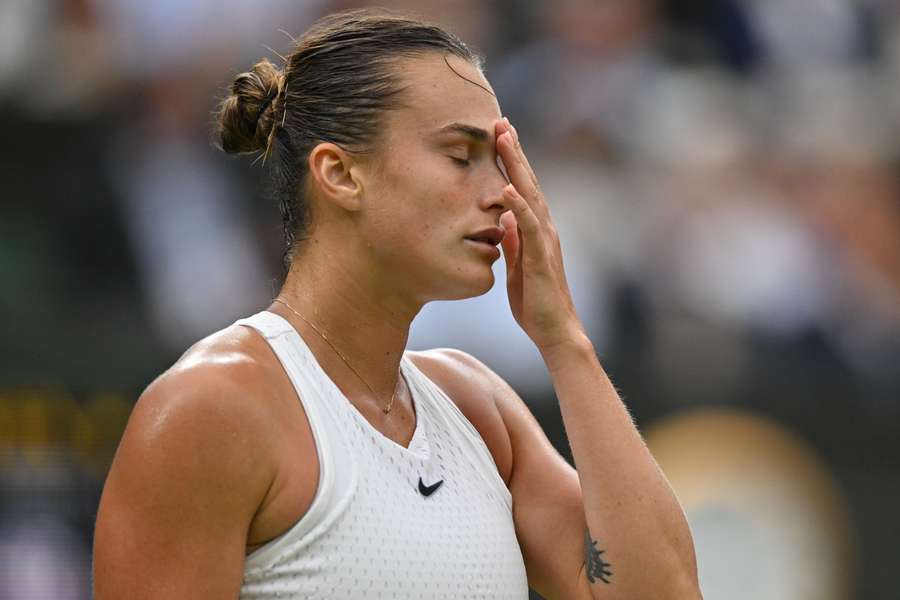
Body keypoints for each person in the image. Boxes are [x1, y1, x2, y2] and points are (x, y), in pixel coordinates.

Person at [92, 9, 701, 599]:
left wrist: (564, 339)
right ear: (340, 174)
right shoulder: (212, 408)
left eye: (503, 163)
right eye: (462, 157)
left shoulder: (478, 409)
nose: (503, 195)